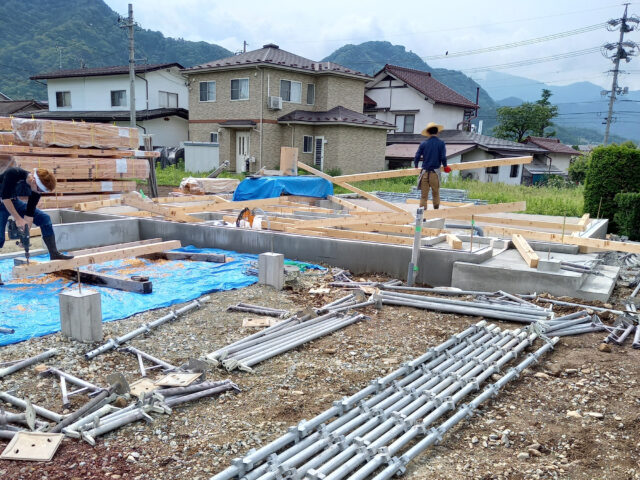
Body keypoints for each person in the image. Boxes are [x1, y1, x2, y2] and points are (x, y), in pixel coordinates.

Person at [0, 167, 74, 283]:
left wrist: (25, 235)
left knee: (44, 218)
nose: (40, 193)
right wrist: (18, 219)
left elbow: (29, 213)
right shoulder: (13, 173)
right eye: (40, 190)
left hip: (13, 201)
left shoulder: (36, 190)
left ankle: (54, 253)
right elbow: (5, 198)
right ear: (34, 181)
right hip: (3, 201)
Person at [413, 122, 451, 210]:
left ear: (428, 133)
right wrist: (445, 166)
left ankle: (423, 216)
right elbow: (443, 157)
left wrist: (416, 166)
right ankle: (436, 213)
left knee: (423, 196)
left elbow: (417, 156)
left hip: (425, 173)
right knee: (436, 193)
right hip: (435, 173)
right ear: (437, 132)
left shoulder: (423, 143)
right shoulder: (441, 143)